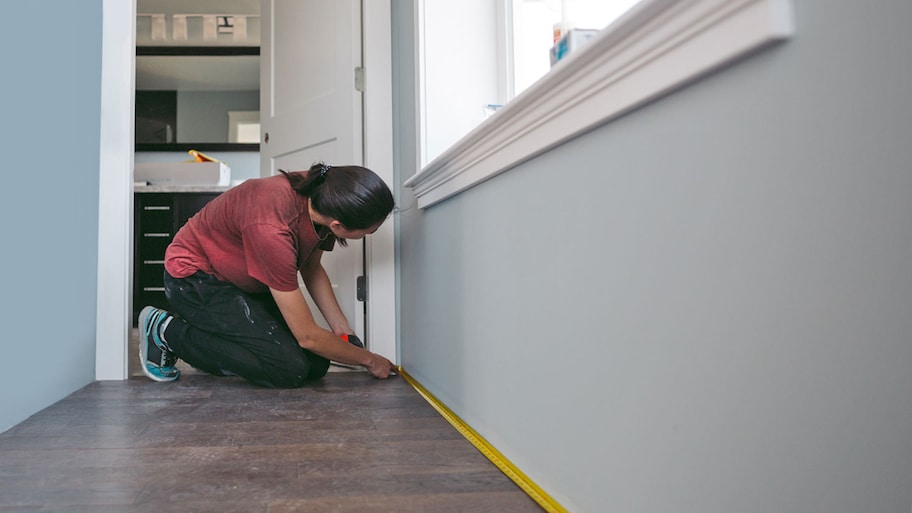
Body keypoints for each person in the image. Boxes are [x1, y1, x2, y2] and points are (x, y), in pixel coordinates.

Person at [138, 162, 397, 387]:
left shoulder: (325, 192)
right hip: (195, 279)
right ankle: (165, 330)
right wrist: (370, 360)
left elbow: (311, 266)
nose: (364, 238)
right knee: (287, 369)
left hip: (240, 281)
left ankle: (218, 350)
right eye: (365, 234)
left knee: (316, 364)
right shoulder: (272, 228)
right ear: (338, 226)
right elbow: (307, 336)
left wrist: (342, 330)